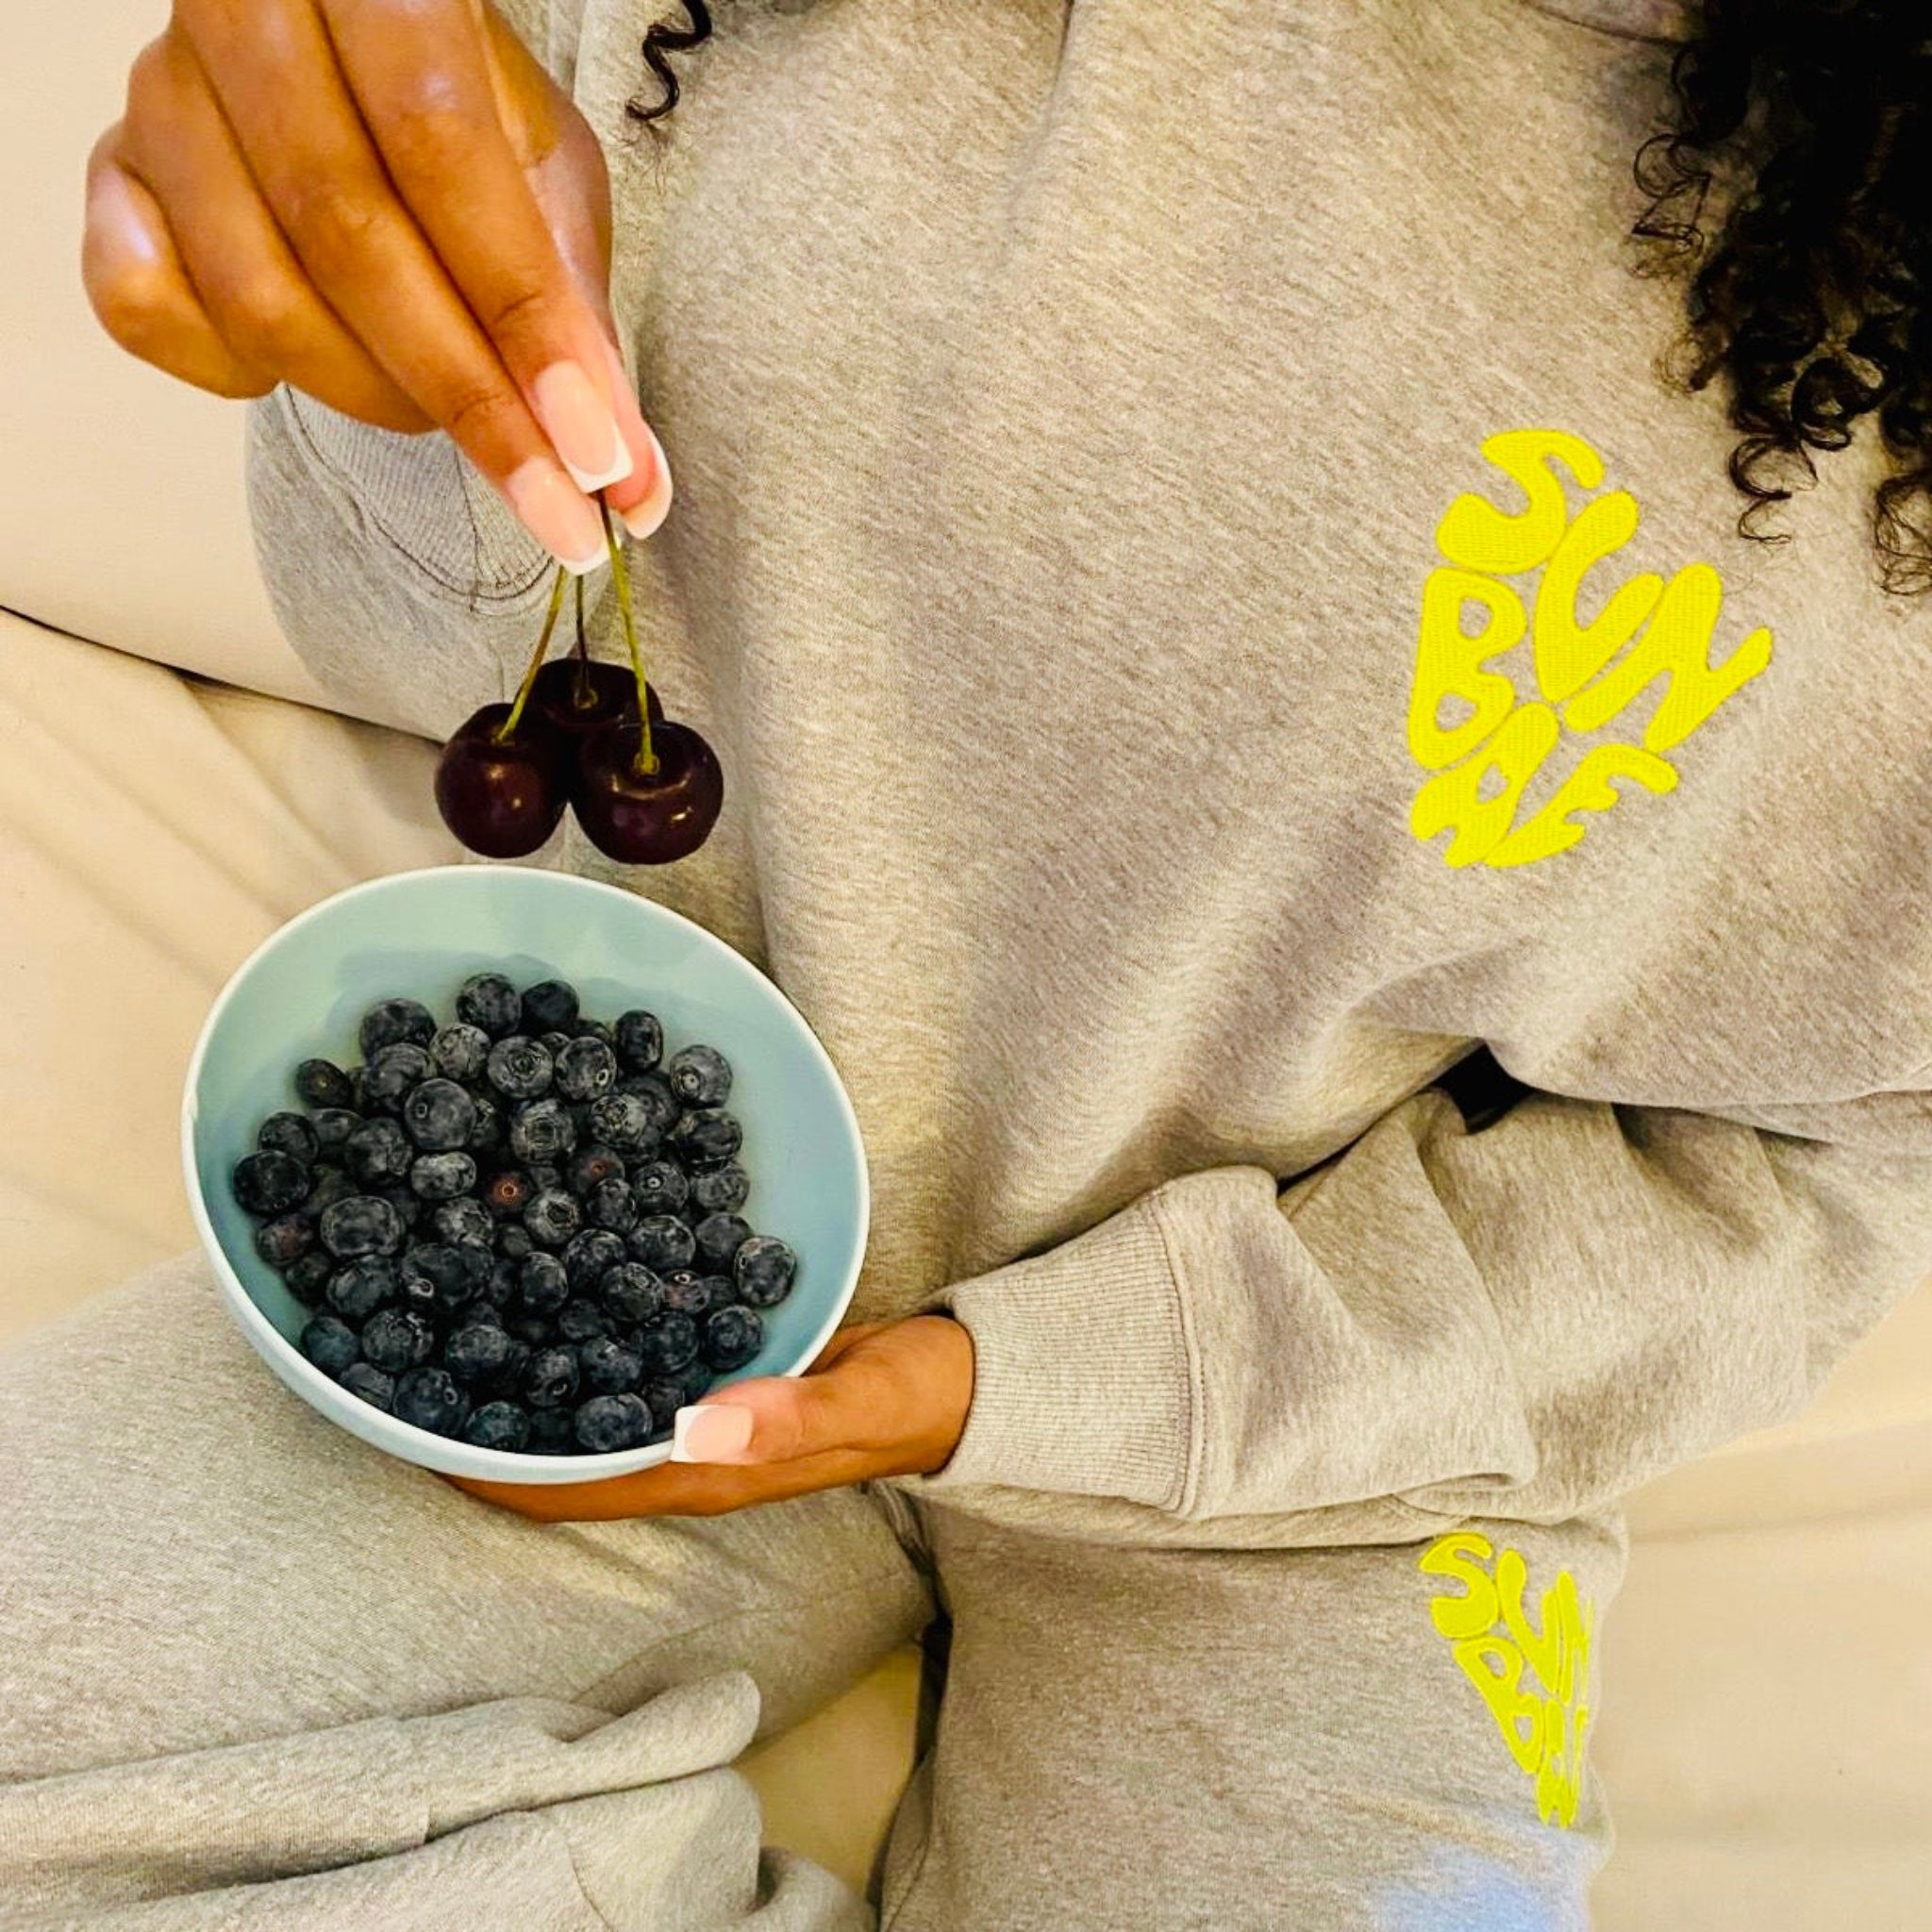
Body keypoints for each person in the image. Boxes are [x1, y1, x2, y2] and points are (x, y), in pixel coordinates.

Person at [12, 0, 1932, 1924]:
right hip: (629, 1245)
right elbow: (468, 663)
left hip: (1322, 1424)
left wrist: (1100, 1379)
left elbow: (1799, 1185)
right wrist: (368, 356)